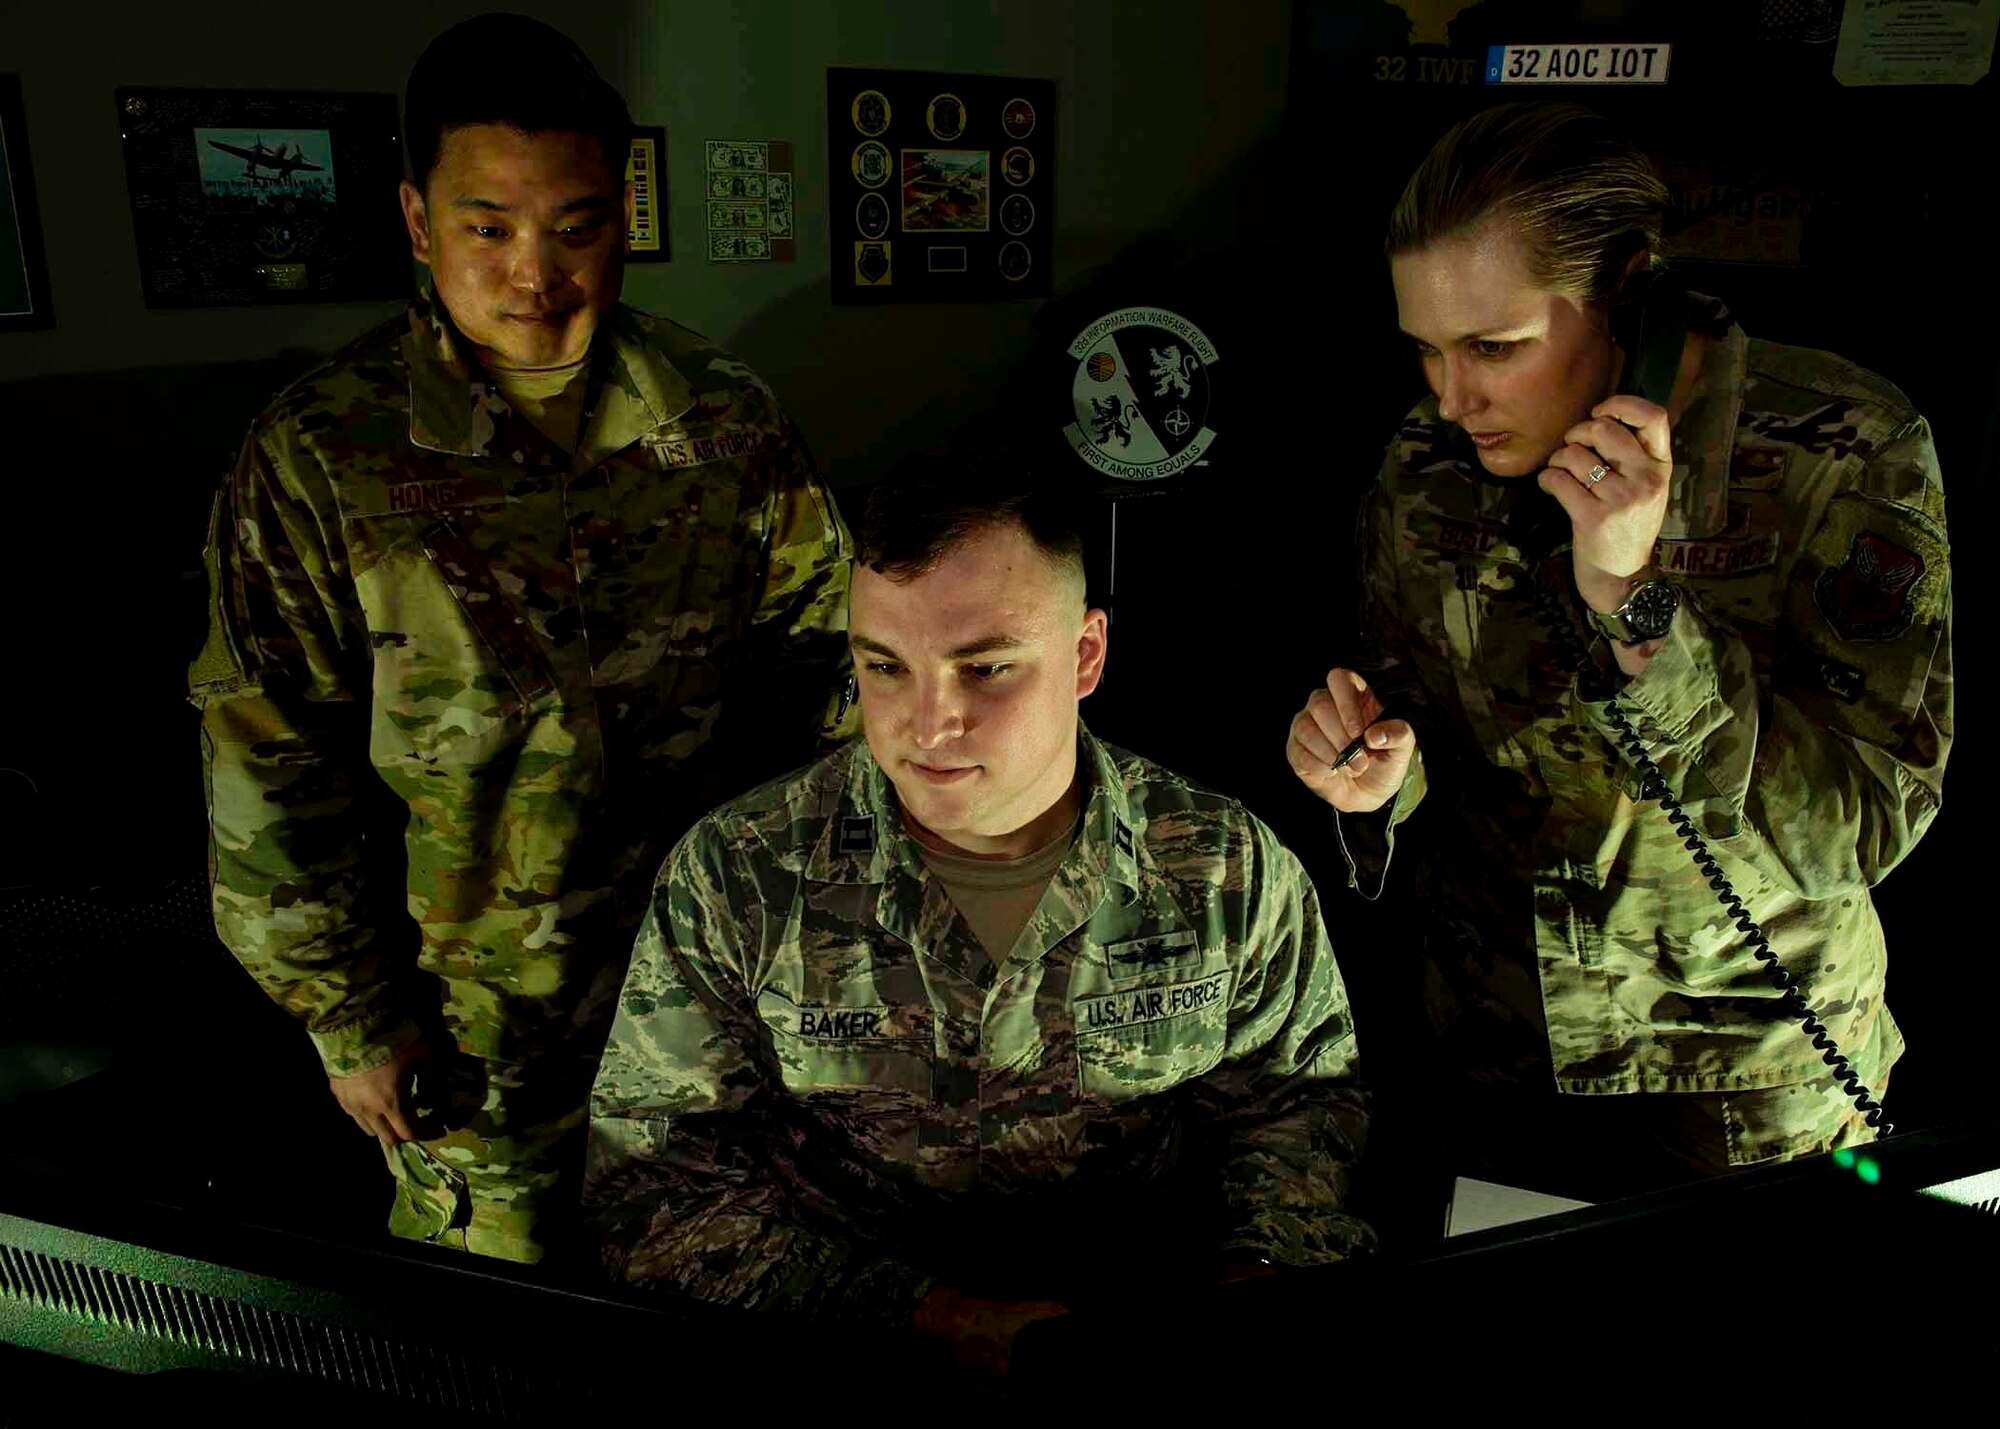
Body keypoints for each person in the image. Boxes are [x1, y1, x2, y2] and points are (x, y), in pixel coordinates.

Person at [190, 13, 853, 1265]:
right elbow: (267, 758)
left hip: (718, 990)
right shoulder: (326, 453)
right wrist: (352, 1020)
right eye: (487, 226)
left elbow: (826, 679)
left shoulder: (718, 417)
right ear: (415, 217)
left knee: (742, 1275)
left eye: (577, 226)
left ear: (621, 212)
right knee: (503, 1340)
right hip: (476, 1031)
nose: (534, 273)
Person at [1285, 101, 1951, 1205]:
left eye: (1494, 348)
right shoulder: (1425, 461)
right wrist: (1372, 781)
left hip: (1743, 1076)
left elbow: (1857, 822)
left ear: (1627, 292)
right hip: (1498, 1063)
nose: (1452, 399)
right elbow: (1418, 727)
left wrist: (1635, 600)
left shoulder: (1843, 446)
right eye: (1425, 350)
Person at [585, 453, 1371, 1378]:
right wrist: (923, 1318)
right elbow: (650, 1188)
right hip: (842, 1360)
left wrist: (1256, 1279)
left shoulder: (1220, 865)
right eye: (884, 666)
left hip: (1145, 1351)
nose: (927, 723)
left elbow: (1301, 1109)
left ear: (1086, 656)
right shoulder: (739, 875)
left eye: (985, 668)